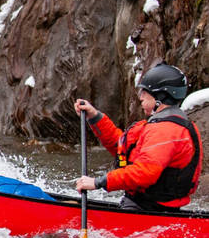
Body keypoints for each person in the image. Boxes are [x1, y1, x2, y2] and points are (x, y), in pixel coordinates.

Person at [74, 63, 203, 211]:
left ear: (160, 96)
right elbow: (122, 147)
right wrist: (94, 117)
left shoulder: (166, 131)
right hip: (141, 204)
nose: (140, 96)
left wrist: (99, 182)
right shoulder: (159, 126)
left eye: (145, 91)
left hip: (150, 209)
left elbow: (144, 173)